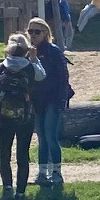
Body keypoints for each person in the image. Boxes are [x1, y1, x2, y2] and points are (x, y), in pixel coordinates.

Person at [0, 35, 45, 200]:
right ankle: (20, 193)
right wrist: (35, 59)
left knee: (4, 154)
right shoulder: (30, 67)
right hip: (25, 117)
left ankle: (7, 188)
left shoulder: (0, 68)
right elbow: (42, 76)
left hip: (3, 118)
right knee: (22, 154)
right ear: (26, 49)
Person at [26, 17, 73, 188]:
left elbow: (63, 77)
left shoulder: (53, 51)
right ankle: (42, 172)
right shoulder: (29, 52)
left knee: (50, 136)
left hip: (53, 99)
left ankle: (57, 173)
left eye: (37, 31)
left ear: (46, 33)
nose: (33, 35)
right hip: (38, 100)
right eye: (30, 31)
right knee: (41, 138)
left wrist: (61, 100)